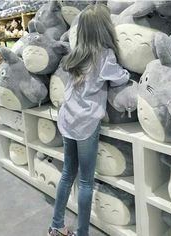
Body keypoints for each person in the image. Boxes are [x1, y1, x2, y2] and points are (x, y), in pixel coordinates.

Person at [48, 3, 130, 236]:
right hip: (86, 123)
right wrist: (126, 74)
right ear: (104, 29)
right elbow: (119, 79)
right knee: (85, 181)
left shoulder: (75, 55)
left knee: (67, 174)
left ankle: (56, 226)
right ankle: (82, 232)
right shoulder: (105, 55)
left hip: (67, 119)